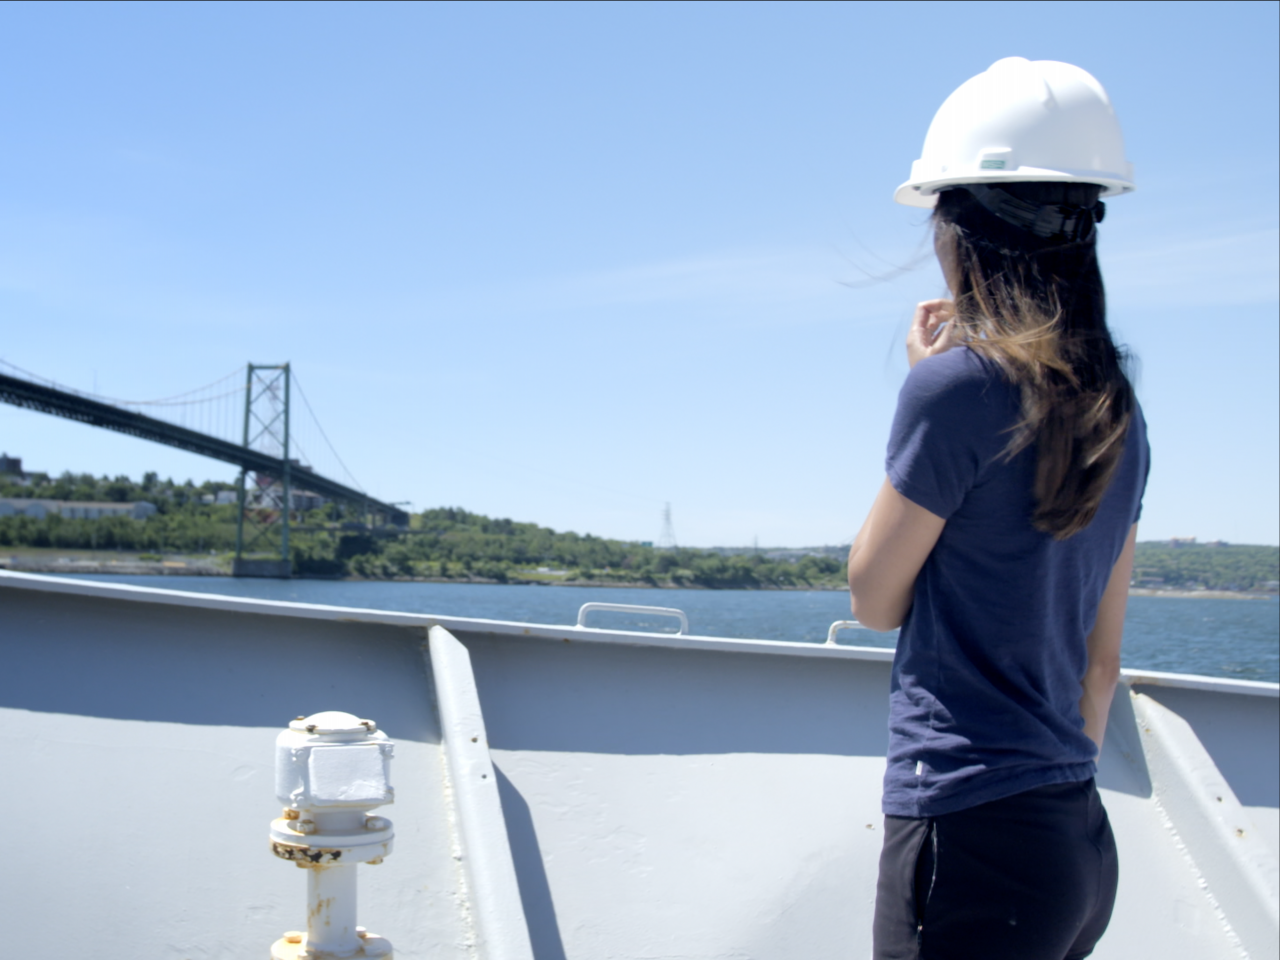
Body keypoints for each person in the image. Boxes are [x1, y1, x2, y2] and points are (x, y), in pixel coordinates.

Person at [846, 58, 1150, 960]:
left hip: (970, 837)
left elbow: (873, 598)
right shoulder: (1118, 412)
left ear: (960, 228)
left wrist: (921, 390)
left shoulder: (955, 389)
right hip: (1074, 840)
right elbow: (1102, 663)